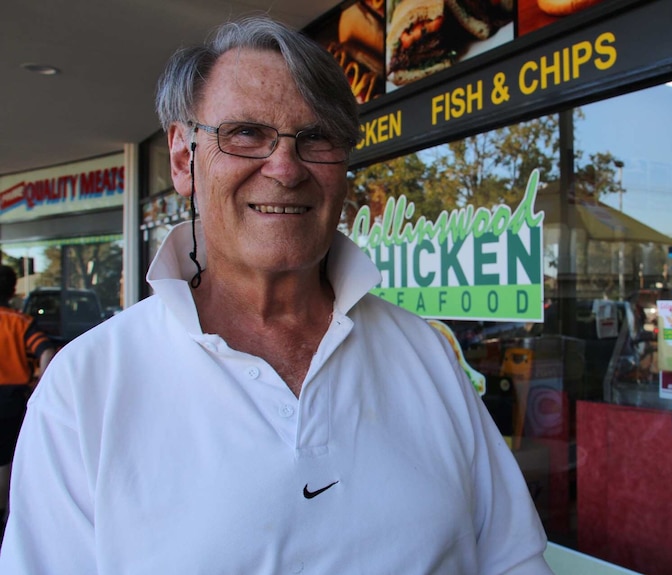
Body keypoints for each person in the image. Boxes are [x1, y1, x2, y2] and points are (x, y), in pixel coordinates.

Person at [0, 16, 553, 574]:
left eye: (316, 139)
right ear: (183, 158)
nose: (286, 168)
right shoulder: (86, 388)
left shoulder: (426, 356)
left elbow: (513, 561)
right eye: (245, 133)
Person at [0, 265, 55, 533]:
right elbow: (45, 351)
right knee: (6, 460)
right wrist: (39, 387)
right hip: (9, 399)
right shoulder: (19, 322)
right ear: (11, 291)